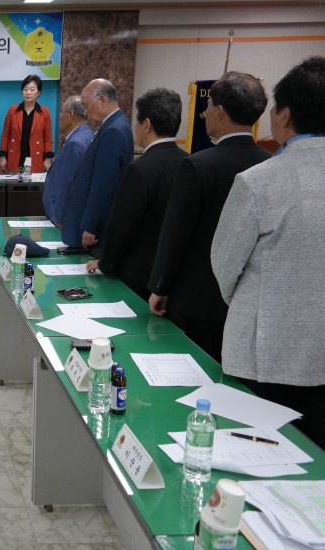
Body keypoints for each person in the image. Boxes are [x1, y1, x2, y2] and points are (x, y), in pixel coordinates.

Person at [211, 56, 325, 448]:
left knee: (253, 454)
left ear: (285, 114)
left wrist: (251, 303)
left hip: (262, 355)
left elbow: (224, 263)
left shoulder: (258, 181)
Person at [148, 71, 270, 361]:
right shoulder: (270, 165)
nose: (205, 112)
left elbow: (176, 233)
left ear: (220, 111)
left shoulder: (197, 166)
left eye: (209, 105)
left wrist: (159, 287)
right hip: (246, 303)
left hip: (195, 299)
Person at [86, 88, 187, 299]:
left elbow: (122, 225)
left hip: (137, 276)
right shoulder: (190, 163)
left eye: (138, 122)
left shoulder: (139, 169)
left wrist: (106, 263)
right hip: (175, 276)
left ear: (146, 125)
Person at [61, 79, 134, 251]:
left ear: (102, 100)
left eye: (86, 106)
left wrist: (91, 225)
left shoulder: (114, 130)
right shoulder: (113, 124)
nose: (85, 112)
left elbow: (104, 184)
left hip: (99, 226)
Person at [43, 95, 94, 227]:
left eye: (62, 112)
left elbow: (67, 182)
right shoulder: (87, 134)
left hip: (64, 217)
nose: (60, 117)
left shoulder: (75, 143)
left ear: (70, 114)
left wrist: (59, 217)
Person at [0, 75, 53, 174]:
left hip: (35, 159)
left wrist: (47, 159)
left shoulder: (45, 112)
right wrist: (2, 156)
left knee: (34, 183)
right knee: (14, 183)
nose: (28, 93)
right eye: (25, 89)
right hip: (15, 158)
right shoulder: (13, 110)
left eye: (32, 89)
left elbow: (48, 138)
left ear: (39, 92)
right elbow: (5, 135)